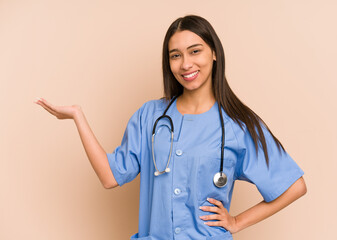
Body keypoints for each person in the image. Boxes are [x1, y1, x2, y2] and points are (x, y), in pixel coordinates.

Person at [35, 15, 307, 240]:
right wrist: (77, 117)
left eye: (195, 51)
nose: (186, 64)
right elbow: (110, 176)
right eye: (175, 55)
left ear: (214, 53)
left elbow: (293, 186)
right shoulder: (149, 115)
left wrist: (236, 221)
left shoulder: (238, 124)